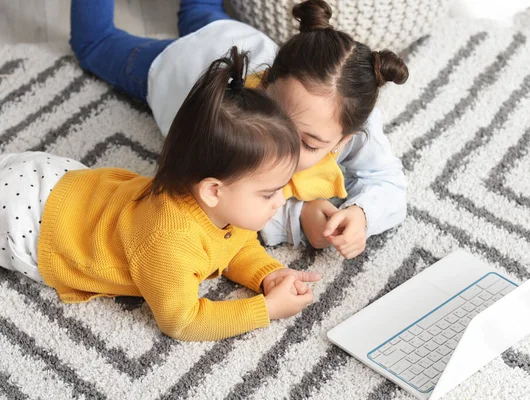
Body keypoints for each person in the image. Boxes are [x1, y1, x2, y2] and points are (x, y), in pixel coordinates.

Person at [0, 47, 321, 342]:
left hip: (59, 180)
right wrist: (265, 311)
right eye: (268, 194)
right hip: (30, 222)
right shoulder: (169, 242)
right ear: (212, 191)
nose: (280, 201)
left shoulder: (219, 203)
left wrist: (269, 275)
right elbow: (182, 322)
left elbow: (235, 245)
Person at [69, 0, 409, 260]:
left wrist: (363, 213)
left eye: (308, 143)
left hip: (231, 35)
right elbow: (220, 206)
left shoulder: (356, 121)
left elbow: (389, 182)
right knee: (94, 44)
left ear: (344, 139)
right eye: (275, 115)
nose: (283, 145)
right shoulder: (233, 125)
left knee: (200, 11)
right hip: (173, 63)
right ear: (263, 84)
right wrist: (298, 216)